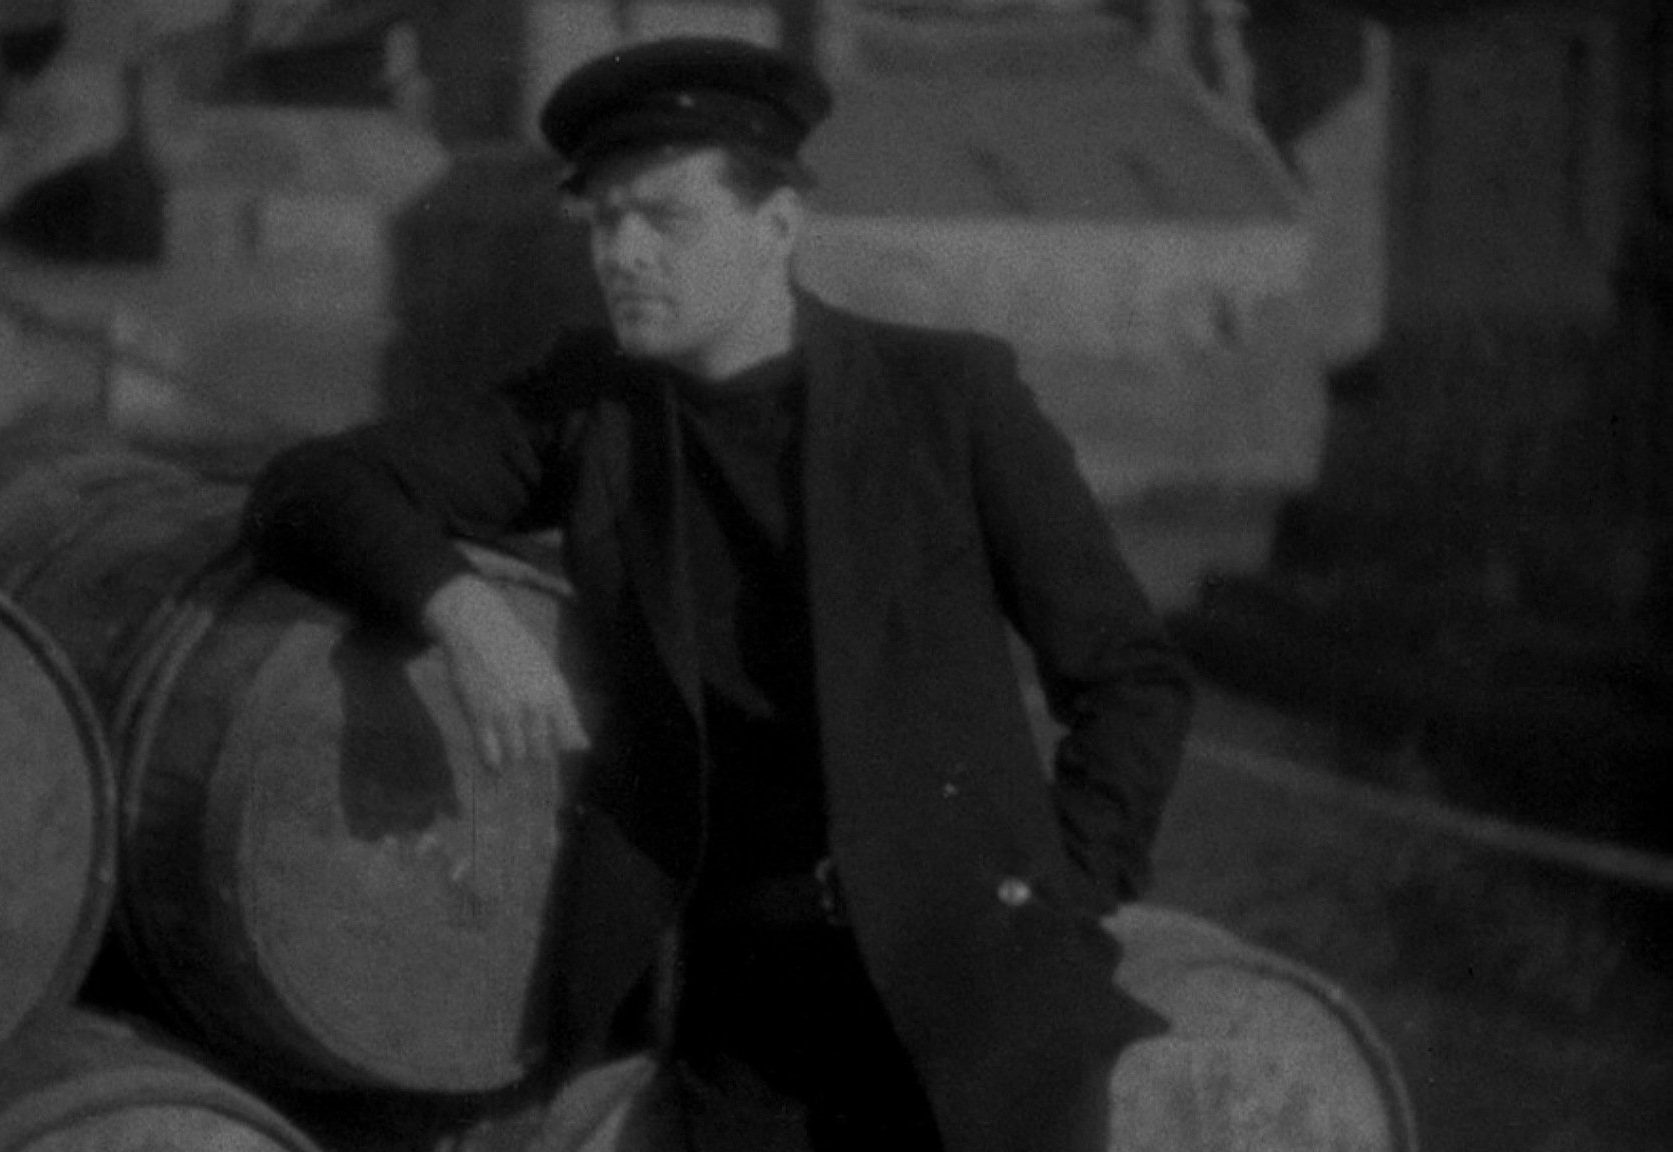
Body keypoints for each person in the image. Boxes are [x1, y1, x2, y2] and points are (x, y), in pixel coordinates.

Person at [242, 36, 1194, 1152]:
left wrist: (1057, 894)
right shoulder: (588, 410)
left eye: (664, 219)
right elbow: (309, 488)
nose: (621, 254)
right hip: (735, 1016)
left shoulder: (947, 402)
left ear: (776, 225)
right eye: (602, 220)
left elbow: (1129, 678)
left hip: (969, 1007)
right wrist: (460, 609)